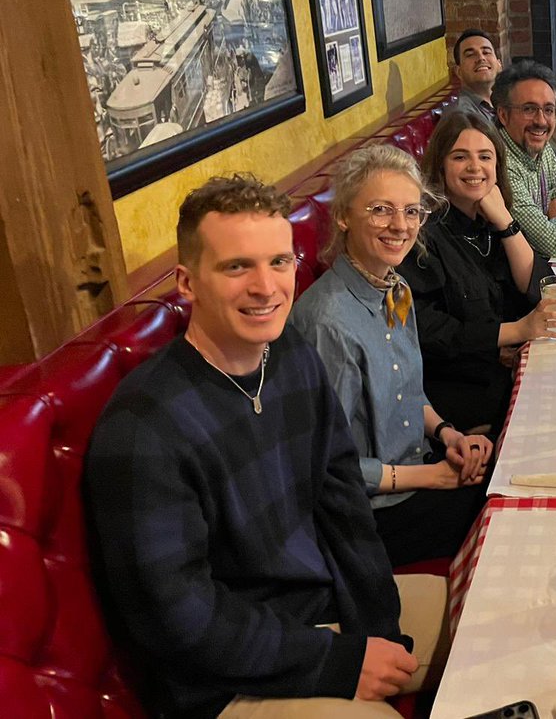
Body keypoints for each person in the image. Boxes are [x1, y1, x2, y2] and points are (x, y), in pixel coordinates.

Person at [85, 175, 446, 718]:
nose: (266, 286)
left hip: (320, 612)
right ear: (187, 282)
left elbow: (342, 502)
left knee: (484, 623)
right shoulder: (144, 427)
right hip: (223, 680)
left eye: (280, 262)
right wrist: (339, 662)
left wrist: (376, 625)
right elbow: (180, 620)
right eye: (237, 267)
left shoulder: (292, 357)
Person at [291, 145, 494, 567]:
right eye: (381, 210)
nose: (400, 226)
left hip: (414, 470)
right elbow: (330, 469)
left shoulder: (395, 287)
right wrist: (433, 477)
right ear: (344, 216)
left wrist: (447, 435)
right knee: (499, 505)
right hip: (367, 519)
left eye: (412, 211)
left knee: (502, 466)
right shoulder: (328, 323)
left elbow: (407, 390)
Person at [402, 112, 556, 435]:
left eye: (485, 157)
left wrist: (506, 222)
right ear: (440, 166)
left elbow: (539, 287)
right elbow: (431, 332)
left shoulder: (488, 223)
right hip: (460, 395)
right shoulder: (423, 234)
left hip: (499, 371)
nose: (474, 167)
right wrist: (516, 331)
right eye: (459, 157)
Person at [448, 28, 556, 195]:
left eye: (486, 52)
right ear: (458, 72)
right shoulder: (462, 116)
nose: (481, 58)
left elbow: (544, 151)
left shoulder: (509, 100)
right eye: (470, 54)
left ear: (499, 64)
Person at [493, 60, 556, 259]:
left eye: (549, 110)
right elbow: (551, 244)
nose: (540, 121)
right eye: (529, 109)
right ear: (503, 115)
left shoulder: (542, 149)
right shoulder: (499, 162)